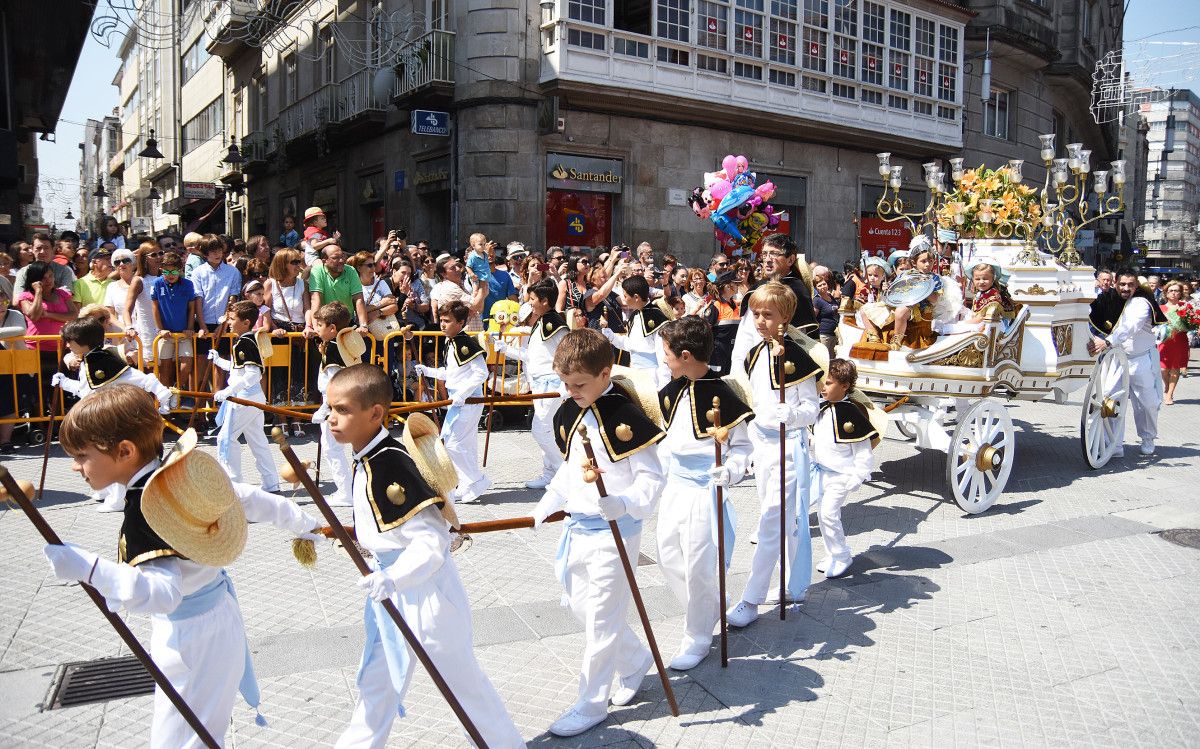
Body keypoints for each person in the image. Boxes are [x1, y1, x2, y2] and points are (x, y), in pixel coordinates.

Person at [45, 384, 321, 748]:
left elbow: (163, 595)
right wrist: (302, 523)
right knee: (200, 733)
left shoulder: (146, 508)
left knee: (182, 741)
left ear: (124, 451)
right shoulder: (177, 471)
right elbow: (243, 497)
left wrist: (89, 568)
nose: (76, 467)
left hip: (190, 640)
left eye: (81, 455)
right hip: (218, 620)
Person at [321, 365, 525, 748]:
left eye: (342, 409)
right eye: (330, 407)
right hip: (390, 589)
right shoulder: (367, 455)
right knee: (377, 681)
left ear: (375, 413)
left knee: (462, 684)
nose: (331, 418)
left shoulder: (390, 464)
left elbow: (431, 542)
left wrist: (394, 577)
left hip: (425, 593)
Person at [531, 329, 665, 737]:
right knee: (579, 606)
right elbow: (571, 470)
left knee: (602, 621)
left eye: (579, 384)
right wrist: (549, 500)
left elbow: (652, 479)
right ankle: (634, 659)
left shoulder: (626, 416)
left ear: (606, 373)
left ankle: (591, 704)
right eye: (565, 384)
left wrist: (624, 502)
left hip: (615, 532)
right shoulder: (569, 411)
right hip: (579, 528)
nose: (570, 391)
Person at [656, 316, 753, 671]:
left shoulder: (722, 395)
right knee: (668, 557)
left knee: (699, 565)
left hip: (703, 490)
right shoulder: (673, 389)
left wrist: (730, 471)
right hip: (675, 488)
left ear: (684, 355)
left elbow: (743, 448)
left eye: (667, 353)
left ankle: (698, 636)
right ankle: (709, 607)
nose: (663, 360)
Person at [727, 282, 821, 629]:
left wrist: (793, 415)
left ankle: (751, 599)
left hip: (787, 449)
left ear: (786, 317)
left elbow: (812, 406)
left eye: (768, 315)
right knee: (782, 521)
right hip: (761, 446)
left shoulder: (796, 358)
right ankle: (788, 583)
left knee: (771, 521)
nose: (761, 320)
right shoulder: (755, 353)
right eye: (756, 314)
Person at [409, 300, 491, 504]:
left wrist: (462, 394)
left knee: (453, 444)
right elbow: (453, 373)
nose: (442, 325)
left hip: (468, 400)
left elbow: (481, 373)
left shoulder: (466, 343)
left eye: (447, 321)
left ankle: (477, 479)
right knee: (465, 443)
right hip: (459, 400)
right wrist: (428, 371)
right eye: (442, 320)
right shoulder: (451, 342)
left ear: (461, 322)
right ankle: (466, 482)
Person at [492, 278, 569, 488]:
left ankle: (564, 471)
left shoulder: (555, 325)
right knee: (546, 431)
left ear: (545, 301)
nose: (530, 303)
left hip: (552, 386)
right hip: (540, 384)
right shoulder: (542, 322)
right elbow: (534, 356)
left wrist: (566, 385)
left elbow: (569, 355)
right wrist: (506, 349)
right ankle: (550, 473)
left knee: (540, 429)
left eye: (533, 299)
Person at [1087, 268, 1168, 456]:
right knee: (1109, 400)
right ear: (1115, 283)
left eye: (1130, 285)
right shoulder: (1109, 299)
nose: (1125, 288)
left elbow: (1130, 326)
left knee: (1147, 403)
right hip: (1116, 359)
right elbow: (1091, 313)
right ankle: (1113, 444)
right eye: (1122, 284)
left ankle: (1147, 438)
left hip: (1141, 360)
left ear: (1136, 285)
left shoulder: (1141, 301)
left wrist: (1106, 341)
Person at [812, 359, 878, 579]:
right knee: (822, 515)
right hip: (821, 472)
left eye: (829, 383)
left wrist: (858, 476)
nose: (823, 387)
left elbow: (863, 450)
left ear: (844, 386)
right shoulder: (821, 409)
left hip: (841, 474)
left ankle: (842, 556)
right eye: (824, 382)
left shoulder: (851, 415)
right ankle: (832, 553)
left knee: (829, 514)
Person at [207, 301, 283, 490]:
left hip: (243, 399)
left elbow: (252, 374)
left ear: (246, 322)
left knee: (226, 439)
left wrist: (228, 391)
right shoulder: (246, 340)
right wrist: (219, 361)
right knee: (258, 441)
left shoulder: (245, 341)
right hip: (252, 398)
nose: (229, 323)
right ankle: (271, 483)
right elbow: (237, 370)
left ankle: (232, 484)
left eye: (233, 319)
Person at [731, 234, 817, 375]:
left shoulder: (797, 291)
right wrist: (738, 370)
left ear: (790, 260)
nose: (768, 259)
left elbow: (803, 338)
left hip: (785, 367)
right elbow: (745, 334)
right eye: (765, 254)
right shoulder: (757, 287)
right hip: (754, 363)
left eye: (775, 254)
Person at [310, 301, 359, 507]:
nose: (316, 329)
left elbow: (335, 382)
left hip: (336, 403)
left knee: (332, 448)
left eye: (319, 325)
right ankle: (351, 489)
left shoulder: (333, 349)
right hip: (347, 401)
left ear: (332, 328)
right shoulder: (344, 343)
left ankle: (346, 492)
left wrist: (326, 409)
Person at [18, 260, 78, 410]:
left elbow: (73, 315)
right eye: (44, 278)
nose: (48, 281)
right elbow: (33, 315)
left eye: (50, 276)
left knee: (59, 389)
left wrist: (48, 314)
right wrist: (38, 292)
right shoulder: (26, 296)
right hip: (35, 350)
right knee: (37, 391)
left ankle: (59, 422)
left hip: (60, 349)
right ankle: (40, 426)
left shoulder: (63, 294)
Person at [601, 275, 672, 388]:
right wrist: (612, 336)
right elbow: (630, 344)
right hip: (634, 373)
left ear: (636, 297)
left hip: (652, 378)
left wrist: (664, 386)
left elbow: (663, 354)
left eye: (625, 296)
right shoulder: (634, 315)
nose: (623, 299)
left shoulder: (656, 317)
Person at [150, 252, 203, 390]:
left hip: (184, 334)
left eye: (174, 271)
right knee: (165, 368)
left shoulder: (188, 284)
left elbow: (192, 308)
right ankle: (165, 399)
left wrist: (190, 327)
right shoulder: (157, 283)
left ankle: (176, 390)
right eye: (166, 271)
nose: (170, 274)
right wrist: (160, 329)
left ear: (180, 270)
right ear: (161, 270)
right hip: (165, 335)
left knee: (186, 365)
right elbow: (155, 307)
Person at [309, 245, 370, 333]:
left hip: (346, 323)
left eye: (342, 256)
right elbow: (316, 299)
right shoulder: (317, 271)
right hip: (325, 324)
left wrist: (363, 325)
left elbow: (359, 299)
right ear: (324, 261)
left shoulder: (351, 271)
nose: (341, 260)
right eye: (335, 258)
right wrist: (316, 327)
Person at [429, 255, 486, 333]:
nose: (458, 269)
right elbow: (477, 306)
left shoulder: (460, 285)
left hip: (471, 336)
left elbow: (479, 308)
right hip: (462, 338)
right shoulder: (450, 288)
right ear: (443, 274)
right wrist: (483, 285)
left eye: (457, 266)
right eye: (453, 268)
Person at [0, 290, 27, 452]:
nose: (1, 307)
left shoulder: (15, 314)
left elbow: (20, 330)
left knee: (9, 402)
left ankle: (5, 441)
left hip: (14, 364)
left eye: (3, 303)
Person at [1158, 280, 1189, 405]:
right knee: (1163, 369)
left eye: (1177, 291)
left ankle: (1169, 394)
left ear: (1180, 293)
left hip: (1179, 341)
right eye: (1171, 291)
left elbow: (1192, 323)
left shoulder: (1186, 307)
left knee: (1175, 368)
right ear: (1166, 293)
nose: (1174, 293)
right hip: (1164, 342)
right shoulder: (1160, 308)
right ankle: (1166, 386)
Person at [812, 270, 839, 358]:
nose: (823, 287)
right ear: (816, 288)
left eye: (824, 284)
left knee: (833, 359)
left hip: (834, 334)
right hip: (824, 334)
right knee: (825, 359)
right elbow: (813, 317)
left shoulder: (831, 297)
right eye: (819, 285)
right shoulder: (817, 300)